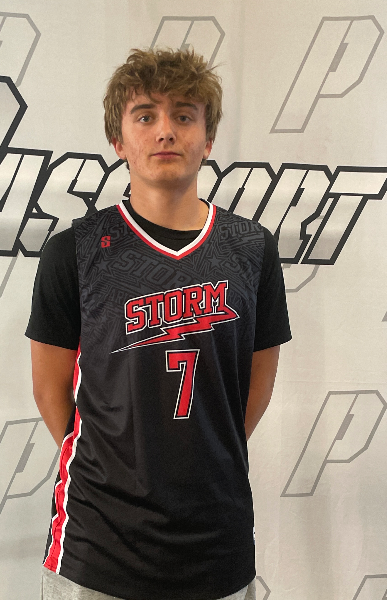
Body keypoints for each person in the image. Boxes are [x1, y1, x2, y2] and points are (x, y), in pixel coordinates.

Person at [26, 48, 291, 600]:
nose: (166, 131)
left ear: (208, 139)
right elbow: (51, 390)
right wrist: (113, 467)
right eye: (145, 116)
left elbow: (257, 383)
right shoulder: (73, 251)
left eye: (184, 116)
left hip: (216, 539)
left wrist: (207, 456)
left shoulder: (252, 249)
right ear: (118, 141)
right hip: (98, 544)